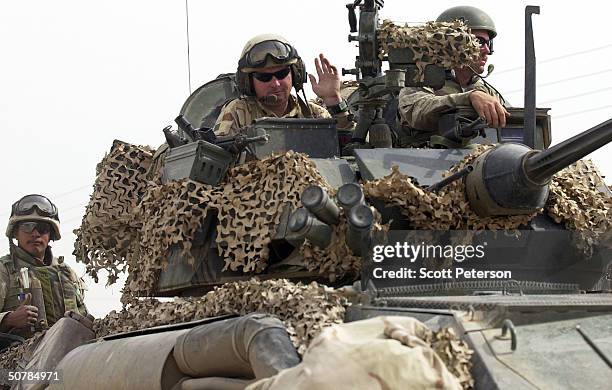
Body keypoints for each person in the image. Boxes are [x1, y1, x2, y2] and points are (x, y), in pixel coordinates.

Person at [397, 6, 509, 147]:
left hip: (472, 161)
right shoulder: (422, 78)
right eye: (479, 42)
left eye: (488, 44)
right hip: (420, 161)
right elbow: (417, 112)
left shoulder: (485, 90)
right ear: (451, 44)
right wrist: (469, 97)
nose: (486, 50)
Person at [214, 33, 353, 136]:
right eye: (264, 77)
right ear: (248, 82)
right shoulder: (238, 112)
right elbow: (219, 157)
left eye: (282, 74)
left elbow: (348, 145)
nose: (275, 83)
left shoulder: (313, 115)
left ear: (296, 74)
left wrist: (334, 100)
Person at [0, 194, 89, 340]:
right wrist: (9, 320)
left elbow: (84, 320)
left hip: (66, 354)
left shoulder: (66, 273)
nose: (35, 233)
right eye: (27, 227)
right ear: (15, 232)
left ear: (51, 234)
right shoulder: (4, 270)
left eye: (42, 228)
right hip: (15, 358)